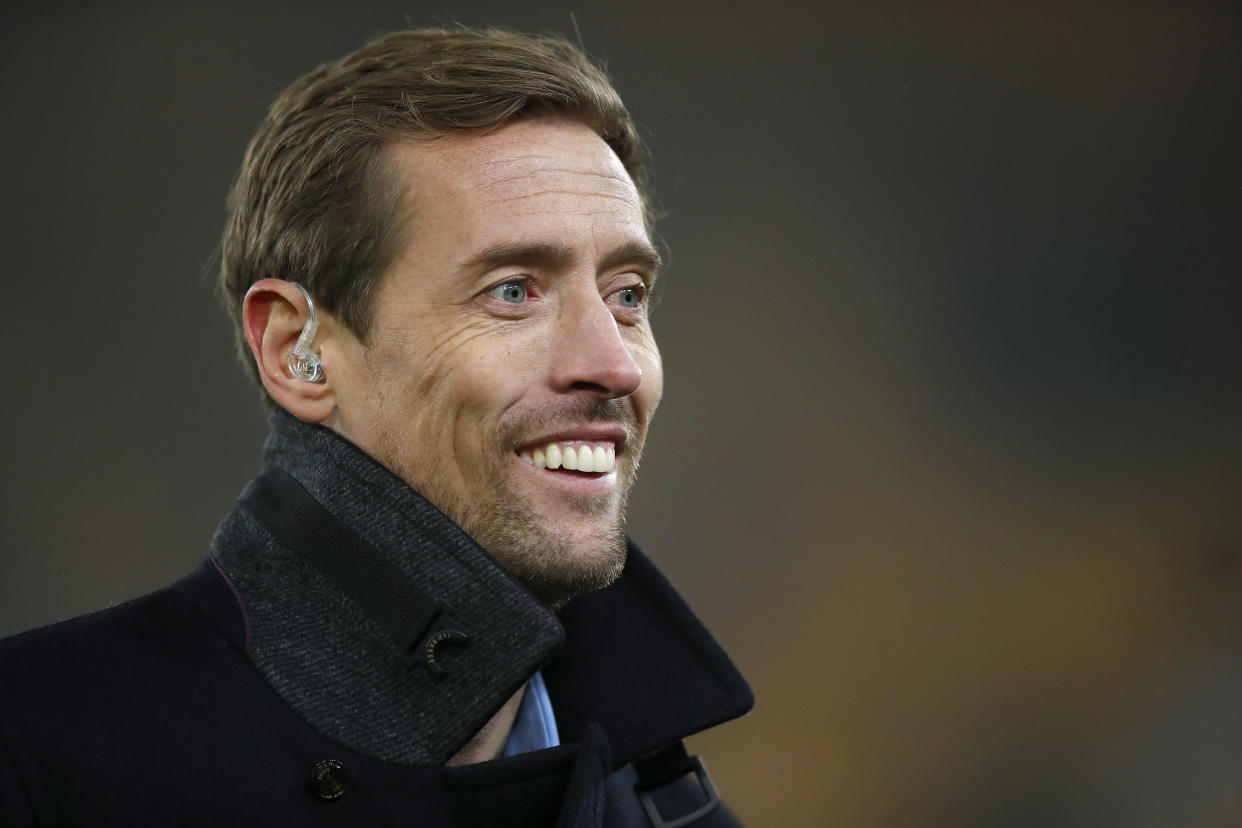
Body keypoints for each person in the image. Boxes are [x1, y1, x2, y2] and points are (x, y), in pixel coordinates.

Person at [0, 28, 752, 826]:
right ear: (298, 351)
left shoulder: (660, 801)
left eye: (627, 294)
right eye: (512, 292)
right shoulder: (35, 754)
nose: (616, 365)